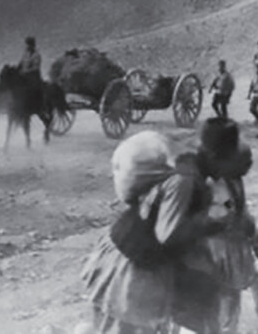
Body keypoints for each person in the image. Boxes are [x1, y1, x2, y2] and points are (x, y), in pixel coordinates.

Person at [81, 131, 218, 334]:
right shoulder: (184, 183)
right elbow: (168, 235)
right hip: (133, 268)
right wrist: (208, 226)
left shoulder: (174, 176)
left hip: (121, 256)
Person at [188, 118, 257, 334]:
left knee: (227, 307)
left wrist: (244, 221)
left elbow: (237, 208)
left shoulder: (231, 176)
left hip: (227, 252)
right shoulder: (195, 180)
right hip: (208, 253)